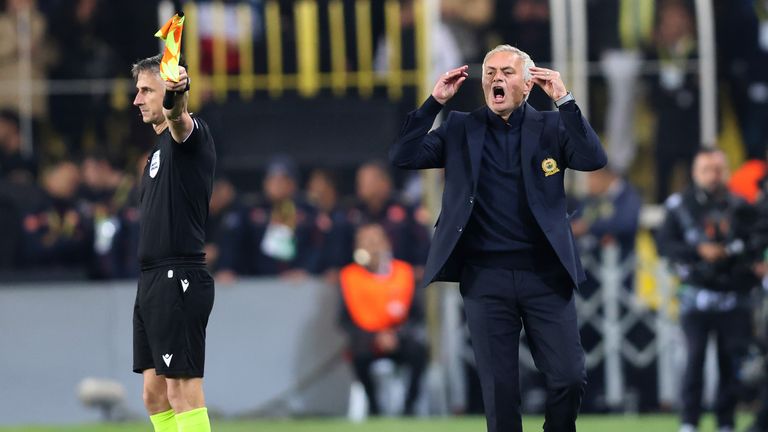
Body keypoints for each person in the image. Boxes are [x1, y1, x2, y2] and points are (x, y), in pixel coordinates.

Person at [390, 44, 607, 432]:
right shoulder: (459, 127)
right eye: (490, 73)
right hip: (485, 277)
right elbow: (404, 156)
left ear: (527, 84)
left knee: (569, 377)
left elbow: (592, 159)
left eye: (507, 72)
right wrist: (433, 103)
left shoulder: (552, 126)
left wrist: (565, 100)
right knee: (500, 391)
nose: (496, 79)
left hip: (545, 274)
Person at [131, 55, 216, 432]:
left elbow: (179, 120)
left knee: (181, 388)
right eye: (138, 90)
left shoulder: (189, 139)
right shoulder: (157, 150)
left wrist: (177, 98)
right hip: (151, 278)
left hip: (178, 273)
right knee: (153, 392)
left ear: (170, 90)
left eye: (147, 90)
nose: (137, 99)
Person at [657, 149, 758, 432]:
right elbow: (664, 244)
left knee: (732, 361)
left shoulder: (740, 205)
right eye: (707, 169)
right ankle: (689, 421)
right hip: (695, 295)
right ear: (695, 172)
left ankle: (726, 421)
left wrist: (734, 254)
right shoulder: (680, 206)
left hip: (733, 295)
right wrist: (698, 251)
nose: (713, 175)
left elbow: (755, 243)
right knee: (694, 361)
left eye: (718, 169)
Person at [339, 223, 428, 416]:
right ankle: (373, 406)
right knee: (358, 355)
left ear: (387, 243)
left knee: (419, 351)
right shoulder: (349, 276)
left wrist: (396, 334)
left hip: (398, 338)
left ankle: (409, 407)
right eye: (366, 242)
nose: (372, 247)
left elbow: (417, 315)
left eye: (375, 241)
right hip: (367, 341)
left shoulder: (404, 272)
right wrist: (374, 337)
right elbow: (345, 320)